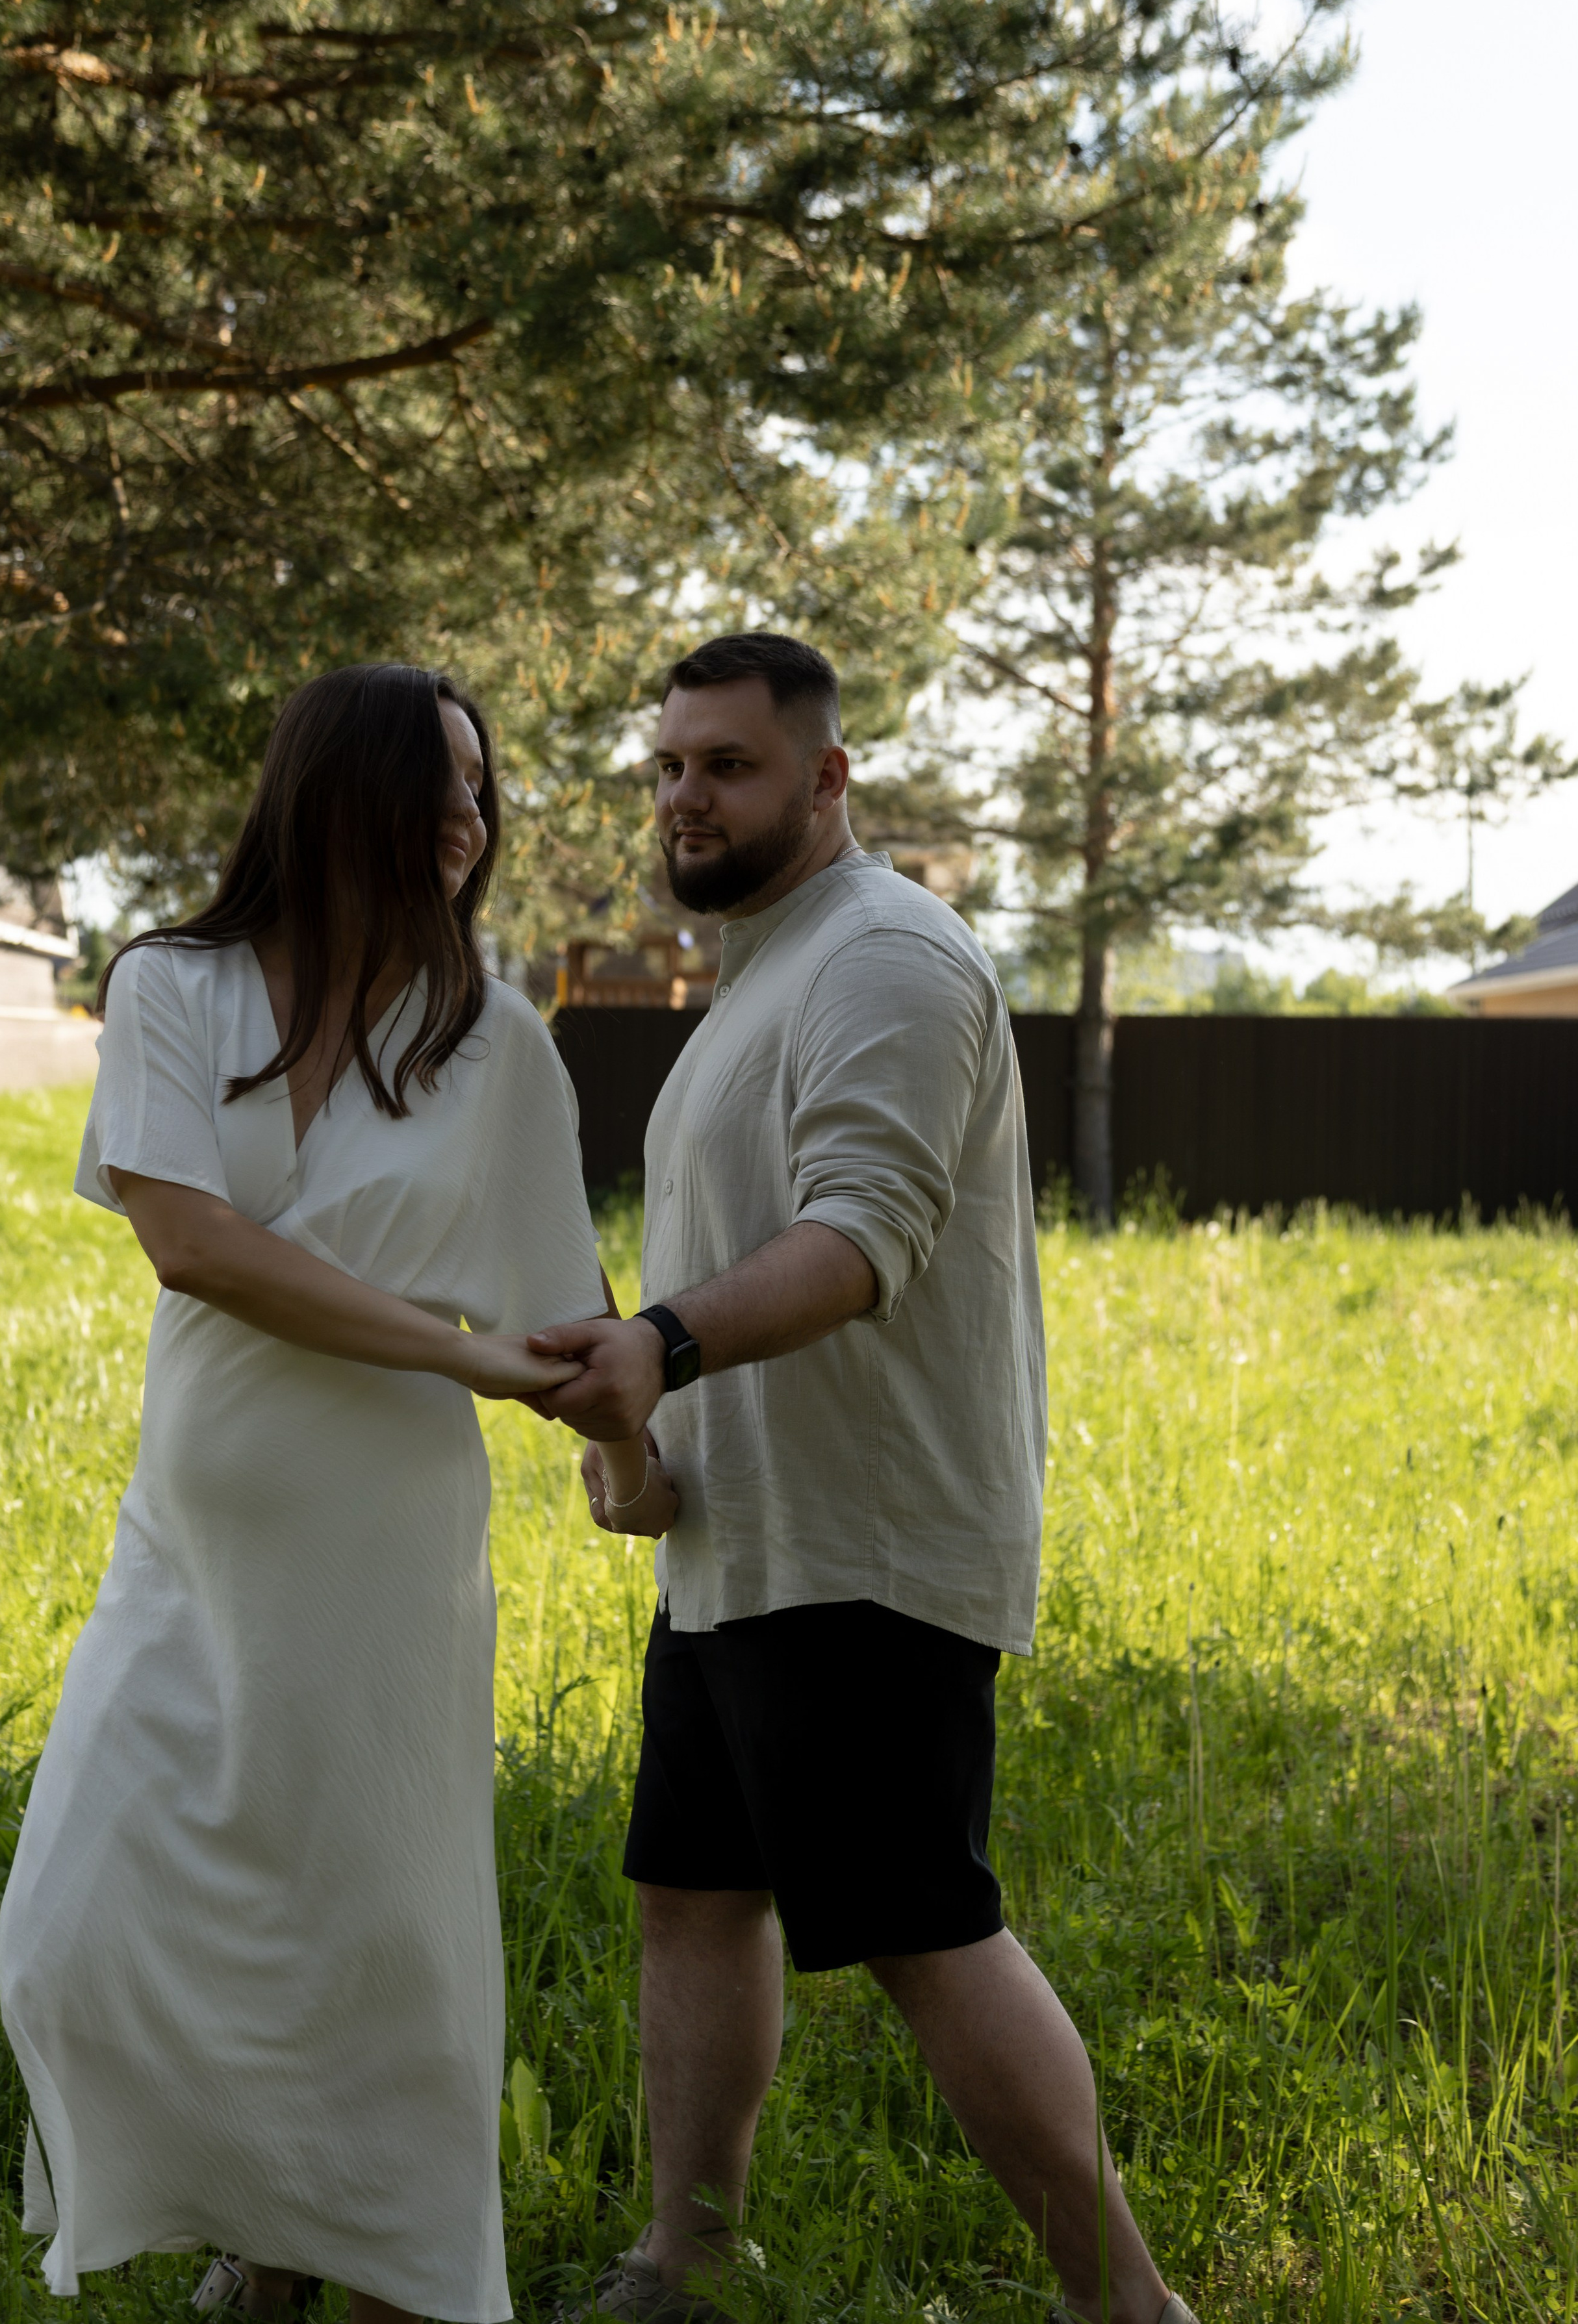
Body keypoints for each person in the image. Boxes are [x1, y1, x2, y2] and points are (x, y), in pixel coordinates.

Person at [526, 633, 1197, 2324]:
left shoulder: (887, 957)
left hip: (868, 1552)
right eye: (669, 765)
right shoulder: (756, 980)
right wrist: (648, 1442)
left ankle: (1130, 2305)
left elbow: (863, 1239)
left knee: (923, 1930)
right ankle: (689, 2265)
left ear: (827, 781)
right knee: (692, 1904)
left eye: (729, 764)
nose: (686, 795)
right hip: (743, 1552)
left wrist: (660, 1346)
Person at [0, 664, 670, 2324]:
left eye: (481, 790)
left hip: (384, 1550)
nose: (472, 820)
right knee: (79, 1923)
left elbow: (552, 1302)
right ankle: (262, 2219)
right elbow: (194, 1243)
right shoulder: (172, 984)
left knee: (378, 1934)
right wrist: (462, 1362)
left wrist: (629, 1457)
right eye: (437, 782)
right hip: (193, 1537)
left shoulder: (492, 1039)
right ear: (334, 789)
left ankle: (378, 2271)